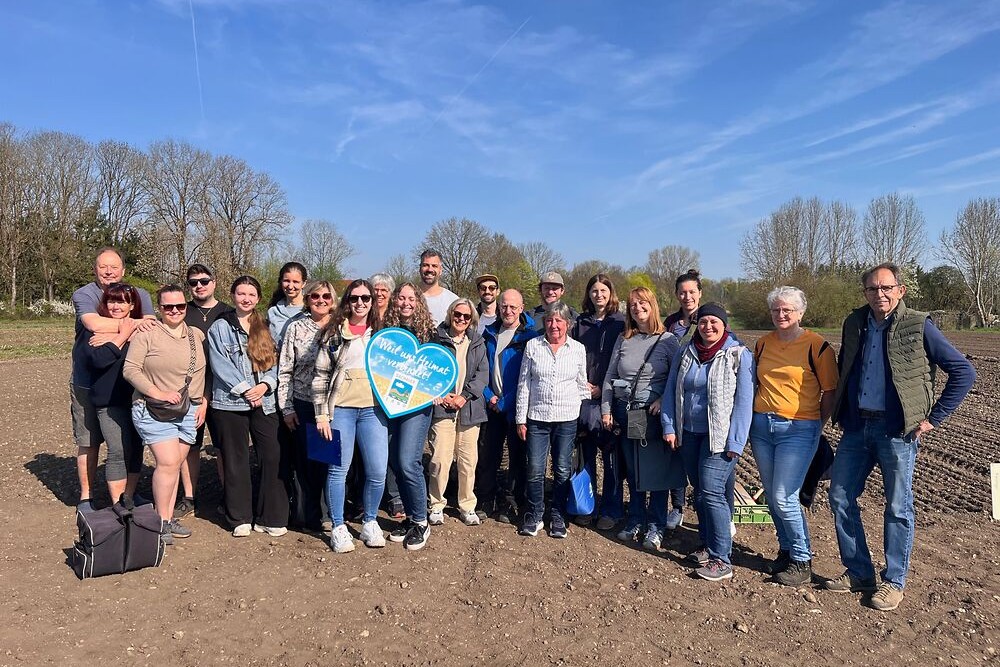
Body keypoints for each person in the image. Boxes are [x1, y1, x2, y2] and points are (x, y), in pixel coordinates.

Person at [824, 263, 975, 611]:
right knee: (840, 496)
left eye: (886, 288)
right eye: (873, 289)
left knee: (897, 506)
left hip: (897, 432)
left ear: (900, 290)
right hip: (856, 426)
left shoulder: (919, 325)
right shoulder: (854, 323)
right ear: (865, 292)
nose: (880, 294)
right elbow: (846, 366)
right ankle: (859, 571)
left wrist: (933, 419)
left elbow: (964, 371)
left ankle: (894, 581)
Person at [751, 286, 838, 586]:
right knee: (773, 498)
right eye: (776, 310)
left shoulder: (817, 346)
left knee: (783, 497)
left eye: (787, 309)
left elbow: (830, 391)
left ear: (801, 312)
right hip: (762, 427)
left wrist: (817, 423)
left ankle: (802, 560)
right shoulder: (763, 344)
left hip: (798, 429)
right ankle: (786, 550)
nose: (781, 314)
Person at [661, 303, 753, 581]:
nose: (708, 326)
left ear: (724, 324)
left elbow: (744, 402)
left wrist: (736, 442)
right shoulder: (685, 352)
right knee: (701, 491)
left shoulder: (738, 354)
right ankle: (707, 543)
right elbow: (670, 390)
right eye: (703, 322)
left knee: (711, 492)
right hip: (689, 433)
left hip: (721, 438)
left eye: (714, 321)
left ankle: (721, 558)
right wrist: (670, 425)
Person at [70, 247, 155, 511]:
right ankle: (86, 496)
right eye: (103, 267)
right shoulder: (84, 294)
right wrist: (130, 325)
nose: (109, 272)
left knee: (131, 442)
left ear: (123, 270)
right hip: (86, 382)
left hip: (127, 384)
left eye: (114, 267)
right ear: (95, 269)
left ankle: (127, 496)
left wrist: (119, 330)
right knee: (89, 440)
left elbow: (151, 321)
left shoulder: (140, 293)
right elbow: (93, 325)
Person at [122, 285, 208, 545]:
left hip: (188, 409)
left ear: (186, 307)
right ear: (159, 308)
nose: (174, 311)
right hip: (153, 408)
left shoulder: (196, 335)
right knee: (169, 463)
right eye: (168, 306)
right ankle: (160, 524)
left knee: (172, 467)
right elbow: (130, 369)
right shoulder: (146, 334)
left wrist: (203, 401)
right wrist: (156, 391)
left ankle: (167, 518)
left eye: (180, 306)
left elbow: (205, 371)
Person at [312, 279, 390, 553]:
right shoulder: (332, 334)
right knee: (338, 470)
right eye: (355, 298)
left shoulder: (383, 334)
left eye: (366, 298)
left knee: (377, 470)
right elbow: (320, 377)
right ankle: (338, 526)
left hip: (374, 411)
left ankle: (370, 521)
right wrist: (321, 416)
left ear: (373, 301)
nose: (360, 303)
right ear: (347, 301)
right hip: (340, 411)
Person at [600, 287, 680, 550]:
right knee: (633, 469)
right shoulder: (624, 339)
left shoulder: (667, 340)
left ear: (652, 305)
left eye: (642, 303)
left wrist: (661, 400)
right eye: (633, 305)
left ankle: (655, 526)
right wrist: (607, 409)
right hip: (626, 412)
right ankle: (635, 518)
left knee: (655, 471)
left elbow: (676, 379)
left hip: (650, 414)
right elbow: (610, 375)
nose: (637, 308)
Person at [208, 276, 288, 538]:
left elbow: (277, 362)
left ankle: (270, 516)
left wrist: (265, 385)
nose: (246, 299)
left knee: (272, 456)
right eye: (241, 293)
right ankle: (240, 516)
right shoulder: (220, 327)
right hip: (231, 403)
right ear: (232, 295)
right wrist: (244, 389)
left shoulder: (266, 326)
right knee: (235, 459)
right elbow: (220, 364)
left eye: (251, 294)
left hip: (264, 401)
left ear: (258, 298)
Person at [515, 301, 589, 538]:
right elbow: (524, 384)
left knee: (562, 469)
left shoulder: (577, 349)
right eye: (549, 320)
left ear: (568, 324)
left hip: (566, 419)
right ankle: (535, 513)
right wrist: (520, 419)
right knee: (535, 469)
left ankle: (558, 515)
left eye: (559, 321)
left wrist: (584, 401)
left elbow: (581, 383)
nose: (553, 325)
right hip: (537, 417)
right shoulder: (533, 346)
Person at [475, 289, 541, 524]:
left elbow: (529, 378)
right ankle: (485, 498)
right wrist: (489, 395)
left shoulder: (531, 338)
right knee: (488, 454)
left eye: (513, 307)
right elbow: (479, 369)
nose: (508, 311)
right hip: (491, 406)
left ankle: (511, 500)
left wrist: (505, 401)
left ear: (522, 308)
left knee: (517, 457)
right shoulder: (489, 333)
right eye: (504, 306)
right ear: (498, 307)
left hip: (517, 407)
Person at [277, 280, 337, 533]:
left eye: (326, 296)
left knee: (329, 462)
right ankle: (305, 514)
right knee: (304, 463)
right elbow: (285, 369)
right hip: (302, 403)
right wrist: (286, 407)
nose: (320, 300)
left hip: (333, 406)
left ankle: (327, 513)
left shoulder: (340, 328)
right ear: (307, 299)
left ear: (333, 300)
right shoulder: (295, 328)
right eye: (315, 296)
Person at [175, 263, 233, 520]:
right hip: (192, 390)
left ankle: (228, 495)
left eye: (204, 280)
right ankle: (189, 496)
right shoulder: (181, 312)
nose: (199, 285)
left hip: (223, 390)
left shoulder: (229, 313)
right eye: (193, 282)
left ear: (214, 282)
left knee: (223, 446)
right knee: (190, 445)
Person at [382, 282, 437, 550]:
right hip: (390, 403)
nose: (406, 302)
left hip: (417, 406)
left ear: (419, 302)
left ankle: (420, 521)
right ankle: (409, 517)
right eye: (401, 297)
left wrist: (439, 388)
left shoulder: (430, 332)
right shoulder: (384, 331)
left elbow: (444, 363)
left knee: (408, 461)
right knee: (394, 461)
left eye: (411, 298)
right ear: (394, 301)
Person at [570, 273, 626, 529]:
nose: (599, 295)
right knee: (585, 454)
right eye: (594, 290)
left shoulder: (621, 324)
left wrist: (604, 389)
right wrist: (584, 386)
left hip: (610, 399)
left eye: (603, 290)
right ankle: (586, 505)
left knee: (611, 456)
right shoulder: (580, 323)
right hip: (583, 397)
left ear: (610, 293)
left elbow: (623, 364)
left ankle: (611, 509)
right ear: (588, 294)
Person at [81, 283, 144, 504]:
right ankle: (118, 503)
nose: (116, 306)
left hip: (136, 399)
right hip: (108, 401)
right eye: (112, 301)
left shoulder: (141, 327)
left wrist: (122, 336)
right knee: (117, 450)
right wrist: (124, 334)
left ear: (132, 304)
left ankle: (130, 496)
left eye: (122, 301)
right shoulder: (96, 330)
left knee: (136, 448)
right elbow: (99, 360)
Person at [428, 298, 489, 526]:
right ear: (450, 314)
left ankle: (467, 505)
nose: (461, 319)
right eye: (457, 314)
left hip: (469, 408)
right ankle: (436, 504)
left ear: (471, 319)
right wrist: (442, 395)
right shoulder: (436, 339)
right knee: (439, 460)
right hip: (443, 407)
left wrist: (465, 396)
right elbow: (429, 370)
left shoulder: (477, 343)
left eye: (466, 316)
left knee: (467, 461)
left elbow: (482, 375)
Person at [369, 272, 402, 517]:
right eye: (375, 290)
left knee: (391, 445)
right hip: (365, 392)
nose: (379, 294)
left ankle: (393, 496)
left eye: (384, 290)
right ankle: (363, 498)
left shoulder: (397, 321)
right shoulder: (362, 317)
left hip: (393, 394)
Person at [267, 261, 308, 347]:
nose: (290, 286)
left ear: (303, 283)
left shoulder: (311, 311)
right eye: (286, 281)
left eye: (295, 282)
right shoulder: (273, 312)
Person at [417, 249, 458, 326]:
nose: (430, 269)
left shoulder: (453, 301)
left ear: (440, 270)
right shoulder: (407, 299)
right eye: (425, 265)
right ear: (420, 268)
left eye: (434, 266)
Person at [663, 269, 702, 345]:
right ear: (676, 295)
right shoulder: (670, 322)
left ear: (700, 293)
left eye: (692, 292)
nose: (687, 297)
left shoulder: (709, 320)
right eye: (682, 293)